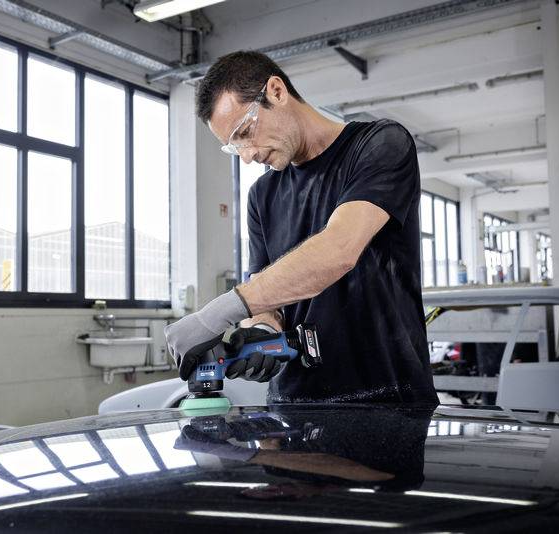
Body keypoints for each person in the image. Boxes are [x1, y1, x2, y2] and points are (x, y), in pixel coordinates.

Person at [165, 50, 438, 404]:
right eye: (235, 148)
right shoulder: (262, 195)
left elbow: (339, 249)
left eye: (245, 132)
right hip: (294, 405)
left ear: (276, 91)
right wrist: (262, 329)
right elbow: (263, 291)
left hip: (387, 396)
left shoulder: (380, 145)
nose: (247, 155)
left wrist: (216, 314)